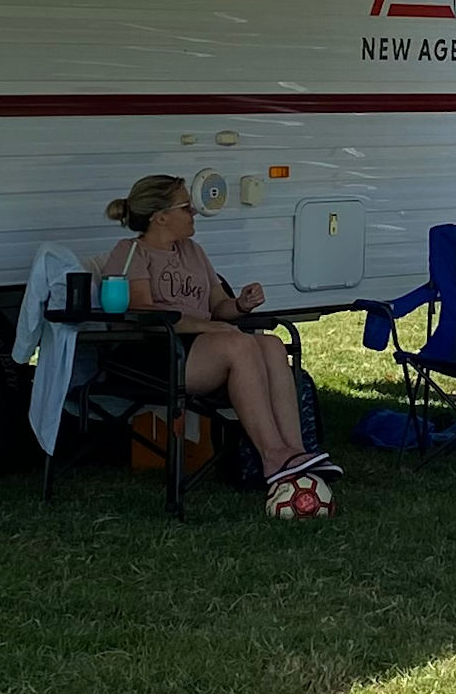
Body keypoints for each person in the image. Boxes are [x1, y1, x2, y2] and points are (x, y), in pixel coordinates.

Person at [99, 174, 334, 501]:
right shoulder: (130, 253)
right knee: (237, 343)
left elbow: (218, 306)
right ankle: (272, 456)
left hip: (203, 347)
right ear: (160, 216)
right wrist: (210, 327)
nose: (194, 212)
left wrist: (240, 305)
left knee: (270, 344)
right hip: (154, 352)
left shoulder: (193, 252)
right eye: (186, 206)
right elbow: (145, 313)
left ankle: (296, 452)